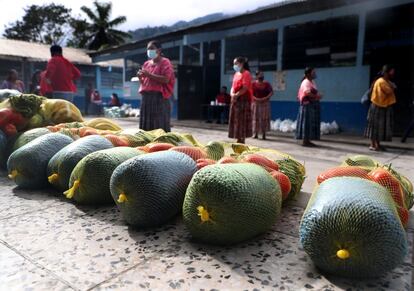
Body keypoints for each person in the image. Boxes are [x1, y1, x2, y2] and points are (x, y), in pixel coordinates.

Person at [138, 40, 175, 132]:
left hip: (159, 98)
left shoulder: (165, 62)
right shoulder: (146, 64)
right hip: (146, 98)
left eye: (152, 48)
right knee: (146, 124)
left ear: (159, 50)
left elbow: (166, 79)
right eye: (148, 49)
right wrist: (140, 77)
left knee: (159, 125)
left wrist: (149, 75)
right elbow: (144, 82)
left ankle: (161, 144)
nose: (149, 51)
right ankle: (147, 145)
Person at [365, 65, 396, 151]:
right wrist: (392, 86)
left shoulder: (384, 81)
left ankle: (376, 144)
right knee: (375, 127)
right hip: (377, 107)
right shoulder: (381, 82)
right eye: (391, 72)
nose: (393, 74)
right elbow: (389, 91)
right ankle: (373, 144)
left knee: (378, 128)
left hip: (380, 106)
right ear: (386, 73)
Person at [295, 67, 322, 147]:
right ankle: (305, 140)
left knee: (310, 123)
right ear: (308, 74)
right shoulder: (306, 82)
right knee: (306, 123)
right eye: (313, 72)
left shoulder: (312, 82)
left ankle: (308, 140)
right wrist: (317, 96)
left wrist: (317, 96)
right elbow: (307, 93)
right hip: (307, 106)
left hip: (312, 105)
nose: (314, 74)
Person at [229, 56, 253, 144]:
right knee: (236, 120)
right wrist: (232, 94)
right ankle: (237, 137)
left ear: (241, 64)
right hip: (235, 101)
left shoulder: (246, 74)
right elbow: (232, 87)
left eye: (236, 63)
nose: (234, 65)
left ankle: (242, 139)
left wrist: (236, 95)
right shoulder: (236, 74)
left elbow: (245, 88)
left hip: (243, 101)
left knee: (242, 120)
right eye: (233, 64)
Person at [252, 71, 273, 140]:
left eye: (262, 75)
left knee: (264, 118)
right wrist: (255, 98)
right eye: (260, 75)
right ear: (256, 76)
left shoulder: (267, 84)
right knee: (256, 118)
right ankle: (256, 134)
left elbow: (271, 92)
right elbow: (250, 93)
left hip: (265, 103)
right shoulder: (253, 84)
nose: (261, 76)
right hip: (256, 103)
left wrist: (265, 98)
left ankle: (264, 134)